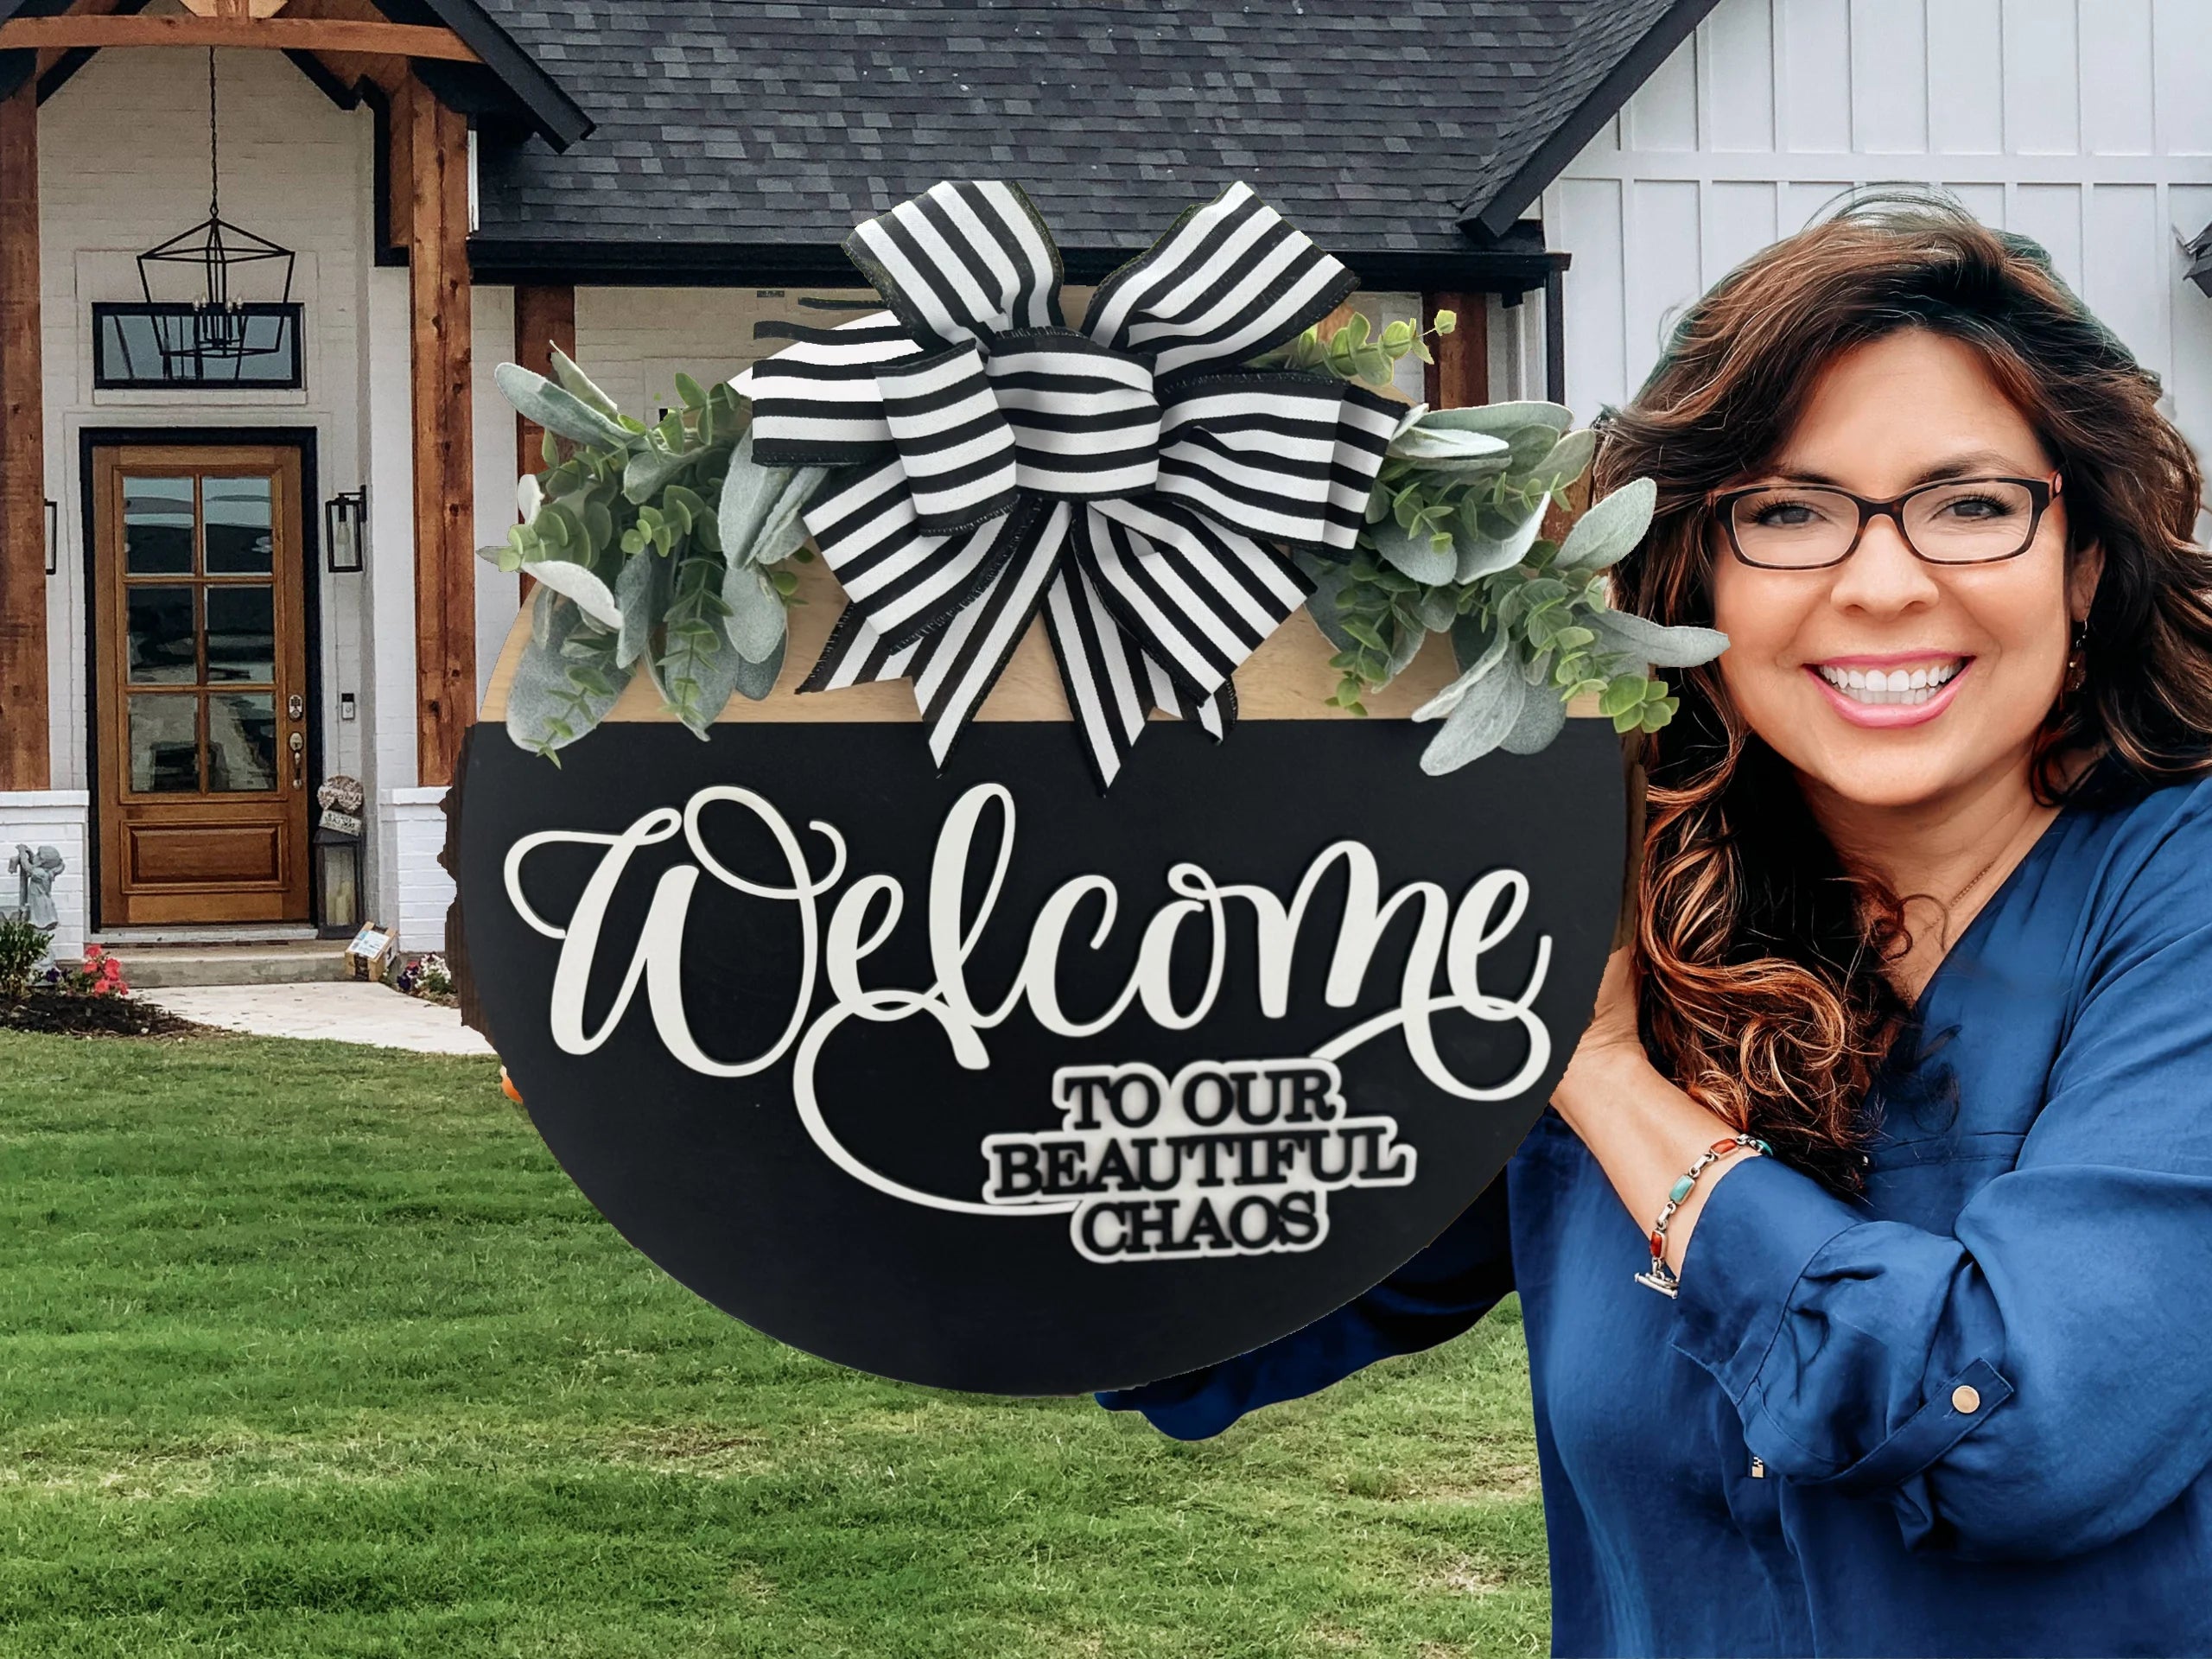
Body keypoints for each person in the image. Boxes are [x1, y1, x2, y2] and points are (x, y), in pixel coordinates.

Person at [1102, 198, 2212, 1657]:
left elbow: (2022, 1433)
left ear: (2081, 562)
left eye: (1970, 503)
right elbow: (1218, 1295)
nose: (1882, 583)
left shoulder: (2173, 900)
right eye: (1790, 512)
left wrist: (1613, 1082)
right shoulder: (1633, 906)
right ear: (1693, 574)